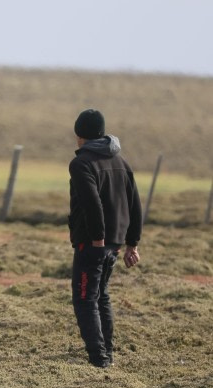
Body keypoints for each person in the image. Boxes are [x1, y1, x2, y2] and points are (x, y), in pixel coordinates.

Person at [68, 108, 142, 368]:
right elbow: (135, 204)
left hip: (92, 244)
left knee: (85, 298)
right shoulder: (121, 162)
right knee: (101, 296)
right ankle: (107, 354)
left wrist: (97, 240)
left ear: (80, 134)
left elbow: (91, 203)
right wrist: (132, 243)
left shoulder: (81, 163)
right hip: (115, 243)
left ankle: (99, 360)